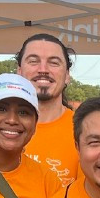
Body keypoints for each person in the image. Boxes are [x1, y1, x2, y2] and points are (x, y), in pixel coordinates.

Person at [14, 33, 79, 185]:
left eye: (54, 63)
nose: (43, 69)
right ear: (19, 71)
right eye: (33, 61)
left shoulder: (84, 131)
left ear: (67, 75)